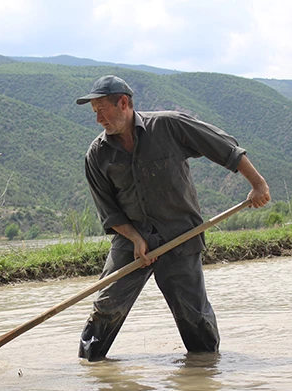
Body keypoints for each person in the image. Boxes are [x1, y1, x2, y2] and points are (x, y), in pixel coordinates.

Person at [75, 75, 270, 361]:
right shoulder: (97, 154)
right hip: (131, 238)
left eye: (102, 110)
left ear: (124, 103)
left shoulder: (168, 126)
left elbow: (223, 147)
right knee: (107, 305)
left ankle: (205, 371)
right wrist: (135, 239)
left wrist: (258, 184)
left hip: (180, 235)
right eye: (94, 113)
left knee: (193, 314)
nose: (98, 119)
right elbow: (109, 210)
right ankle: (89, 369)